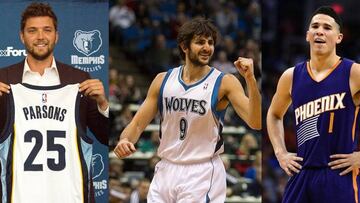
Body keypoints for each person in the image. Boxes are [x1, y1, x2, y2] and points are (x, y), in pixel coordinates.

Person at [114, 17, 261, 202]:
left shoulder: (225, 82)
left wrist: (251, 80)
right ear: (185, 47)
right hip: (166, 169)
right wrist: (124, 140)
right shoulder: (163, 80)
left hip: (201, 172)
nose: (207, 47)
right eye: (200, 42)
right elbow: (136, 124)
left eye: (210, 42)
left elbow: (255, 122)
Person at [0, 2, 108, 202]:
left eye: (47, 30)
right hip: (20, 194)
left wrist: (103, 104)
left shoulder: (79, 79)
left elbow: (105, 137)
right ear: (22, 36)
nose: (40, 37)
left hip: (68, 194)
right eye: (32, 31)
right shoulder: (4, 79)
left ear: (56, 36)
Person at [267, 6, 360, 203]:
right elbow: (274, 114)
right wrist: (280, 152)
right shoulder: (291, 76)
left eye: (327, 27)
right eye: (315, 26)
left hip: (338, 175)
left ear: (339, 37)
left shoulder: (353, 72)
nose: (320, 31)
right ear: (308, 35)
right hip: (302, 174)